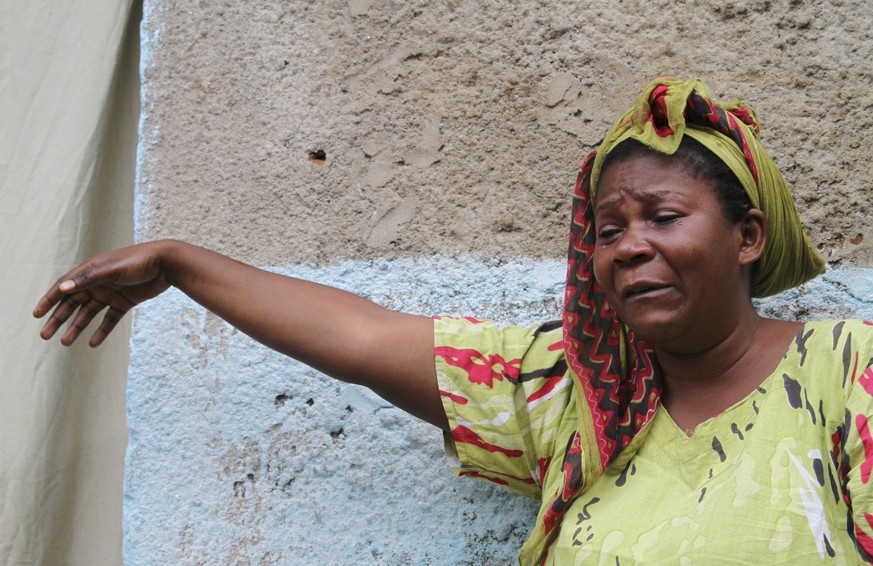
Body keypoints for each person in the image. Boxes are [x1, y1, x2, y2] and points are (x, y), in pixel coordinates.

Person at [34, 77, 873, 564]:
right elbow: (364, 341)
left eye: (661, 217)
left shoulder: (846, 372)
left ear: (746, 237)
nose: (628, 248)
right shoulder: (575, 392)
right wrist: (182, 264)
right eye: (608, 230)